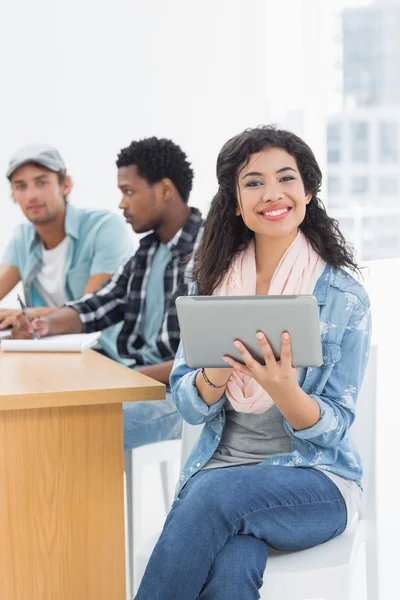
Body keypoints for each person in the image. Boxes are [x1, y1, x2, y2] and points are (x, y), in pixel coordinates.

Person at [135, 126, 372, 600]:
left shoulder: (343, 298)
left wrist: (285, 389)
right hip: (223, 473)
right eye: (253, 182)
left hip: (315, 482)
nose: (272, 194)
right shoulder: (212, 284)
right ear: (237, 202)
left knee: (212, 496)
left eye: (286, 178)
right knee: (231, 564)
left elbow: (336, 427)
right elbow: (187, 401)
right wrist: (215, 373)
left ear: (307, 191)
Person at [13, 137, 203, 450]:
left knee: (78, 431)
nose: (121, 203)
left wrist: (124, 377)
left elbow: (203, 360)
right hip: (137, 384)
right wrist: (46, 325)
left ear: (166, 190)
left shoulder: (210, 252)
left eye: (129, 192)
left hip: (182, 397)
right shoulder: (146, 253)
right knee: (44, 417)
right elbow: (98, 304)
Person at [0, 144, 133, 362]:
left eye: (41, 182)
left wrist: (29, 314)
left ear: (65, 185)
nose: (31, 195)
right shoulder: (22, 237)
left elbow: (90, 310)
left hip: (105, 355)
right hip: (48, 354)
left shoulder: (105, 228)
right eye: (20, 186)